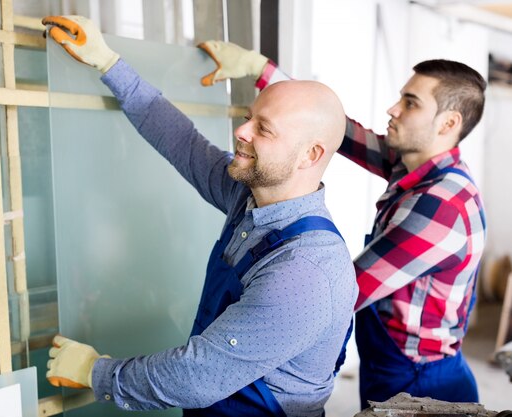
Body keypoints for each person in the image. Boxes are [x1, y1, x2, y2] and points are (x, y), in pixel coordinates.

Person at [42, 15, 357, 417]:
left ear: (310, 155)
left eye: (264, 128)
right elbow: (182, 141)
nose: (242, 132)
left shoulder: (305, 271)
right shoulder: (250, 197)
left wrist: (95, 372)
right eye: (248, 118)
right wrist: (107, 62)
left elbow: (196, 378)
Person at [197, 41, 487, 408]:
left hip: (421, 376)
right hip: (388, 360)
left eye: (410, 103)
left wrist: (266, 299)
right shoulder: (414, 166)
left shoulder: (441, 205)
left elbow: (342, 292)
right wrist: (260, 69)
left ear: (448, 123)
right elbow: (336, 129)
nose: (393, 109)